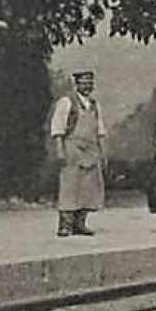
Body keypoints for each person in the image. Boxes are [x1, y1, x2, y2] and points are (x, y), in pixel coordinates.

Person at [47, 70, 106, 237]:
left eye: (89, 82)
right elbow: (58, 127)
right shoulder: (67, 102)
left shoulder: (95, 105)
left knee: (88, 187)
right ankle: (65, 224)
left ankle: (80, 223)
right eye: (83, 82)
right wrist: (60, 150)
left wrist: (102, 152)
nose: (87, 85)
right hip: (72, 147)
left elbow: (100, 130)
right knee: (70, 185)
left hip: (91, 149)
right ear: (77, 84)